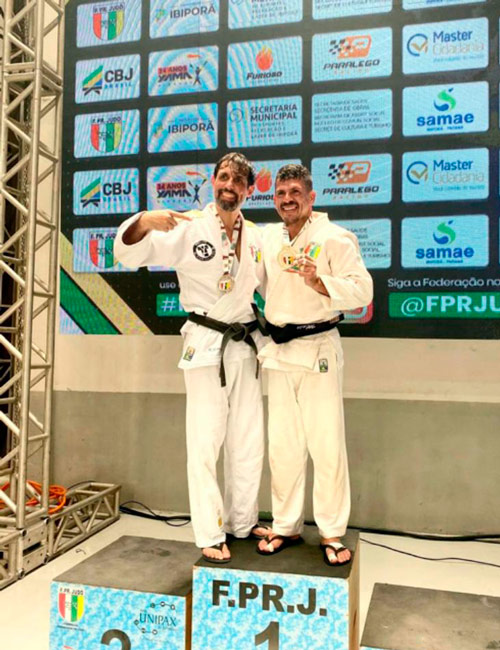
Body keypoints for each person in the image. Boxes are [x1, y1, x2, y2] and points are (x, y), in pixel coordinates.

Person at [114, 153, 269, 563]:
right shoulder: (189, 226)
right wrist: (144, 221)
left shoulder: (256, 237)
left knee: (248, 439)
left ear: (249, 190)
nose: (229, 185)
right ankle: (210, 531)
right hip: (206, 345)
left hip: (246, 346)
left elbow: (273, 289)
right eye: (224, 177)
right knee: (205, 442)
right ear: (213, 181)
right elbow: (129, 254)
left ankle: (242, 521)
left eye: (238, 180)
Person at [256, 163, 373, 566]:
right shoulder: (268, 237)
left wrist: (319, 281)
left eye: (295, 192)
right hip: (280, 350)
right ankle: (285, 525)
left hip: (319, 346)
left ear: (311, 197)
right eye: (280, 193)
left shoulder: (334, 237)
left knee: (326, 445)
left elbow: (363, 290)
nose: (287, 199)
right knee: (282, 446)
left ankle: (331, 531)